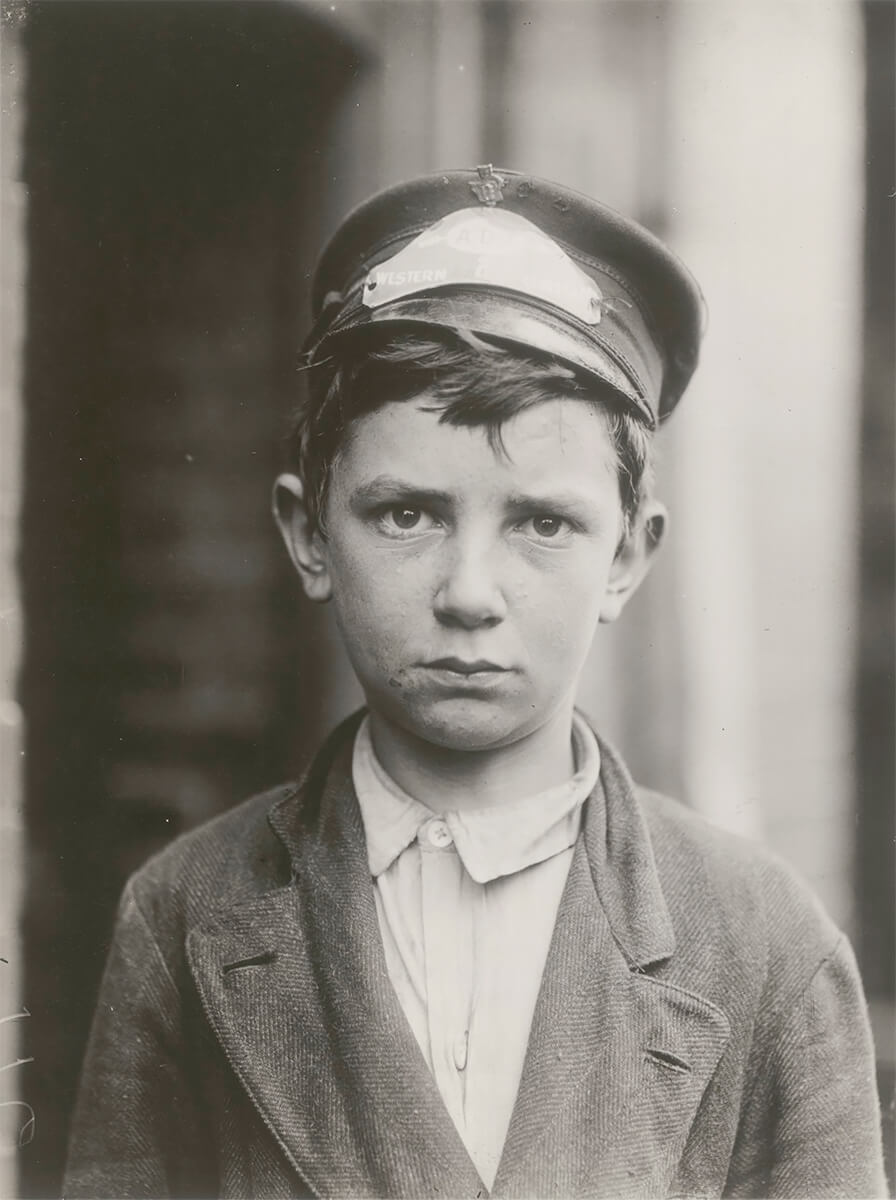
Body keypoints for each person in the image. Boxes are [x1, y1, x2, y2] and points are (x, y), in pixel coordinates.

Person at [64, 166, 887, 1199]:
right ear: (308, 533)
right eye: (405, 513)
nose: (468, 593)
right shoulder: (186, 917)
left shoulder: (763, 944)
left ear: (628, 556)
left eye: (542, 523)